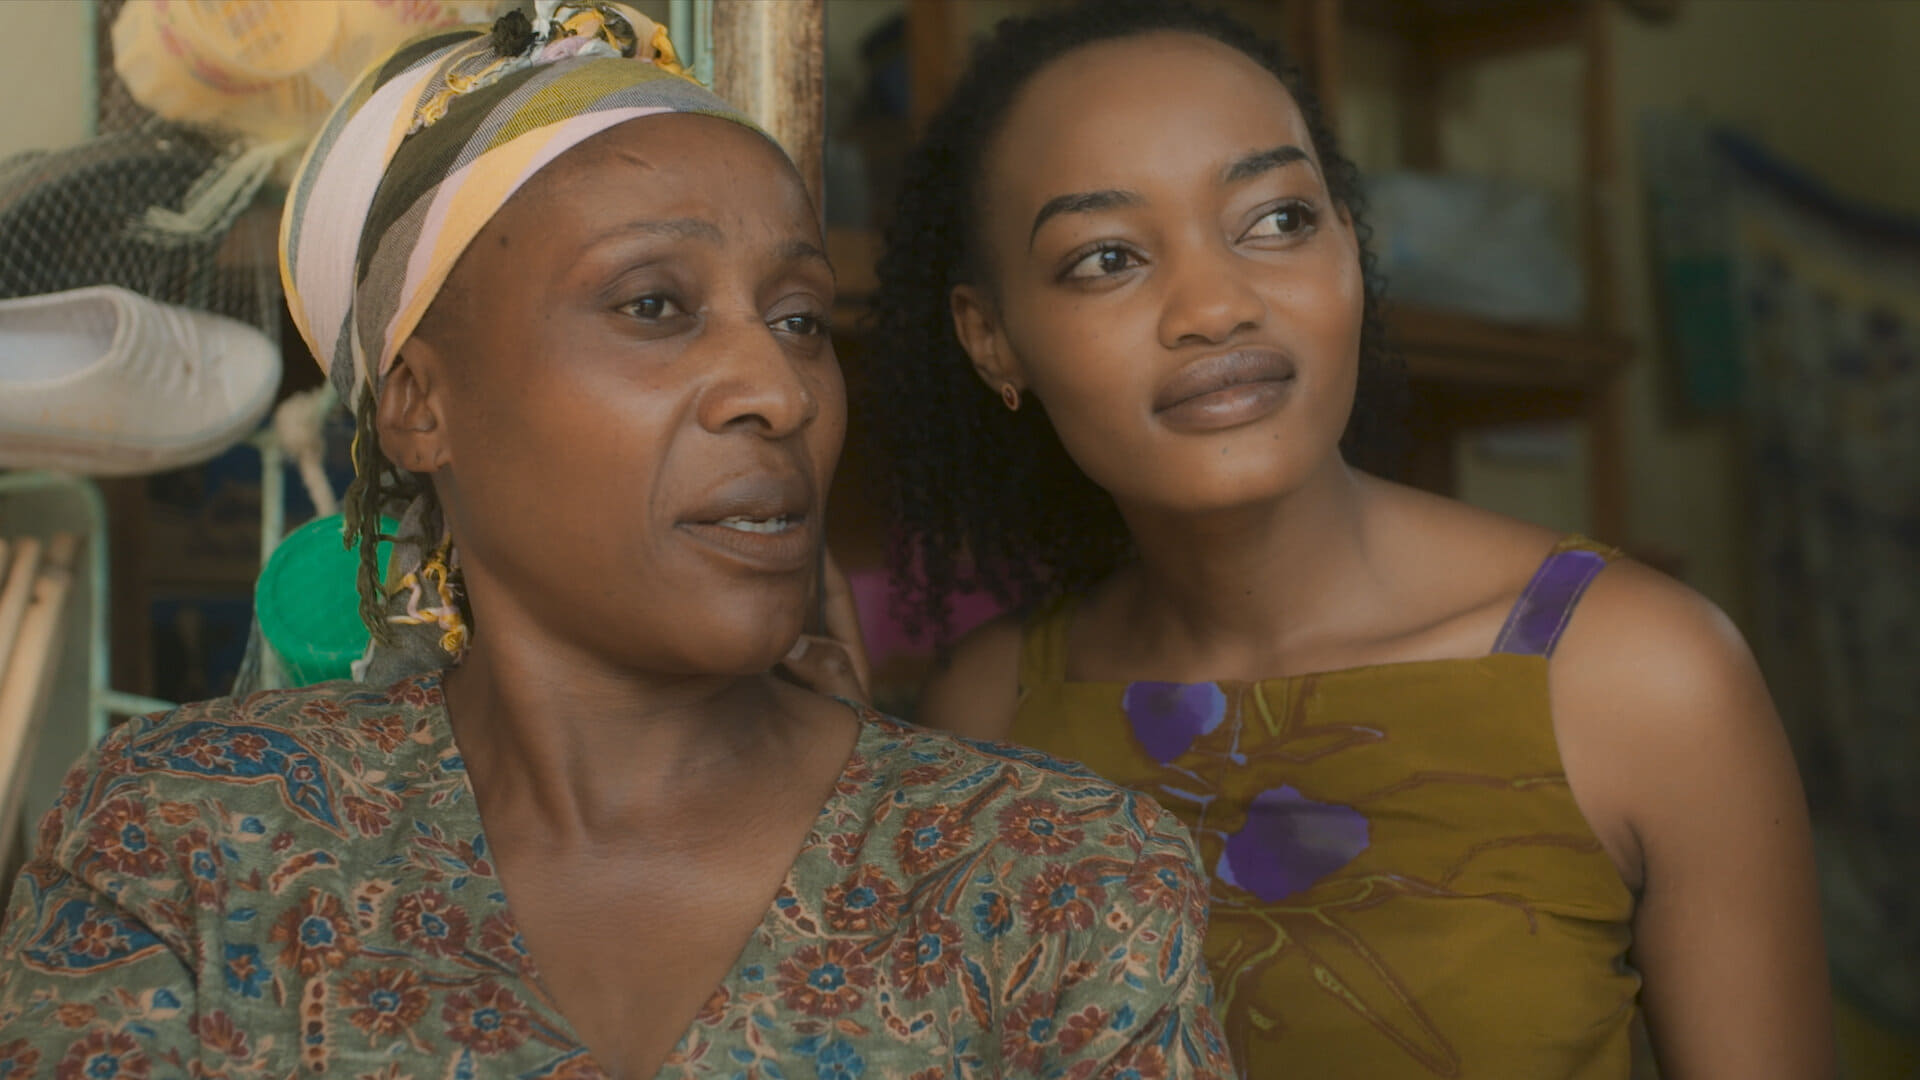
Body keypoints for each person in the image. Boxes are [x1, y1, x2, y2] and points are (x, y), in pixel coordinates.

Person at [0, 6, 1233, 1078]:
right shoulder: (188, 839)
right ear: (422, 403)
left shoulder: (1049, 879)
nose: (780, 392)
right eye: (653, 305)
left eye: (800, 319)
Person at [860, 1, 1833, 1077]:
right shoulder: (989, 717)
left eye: (1278, 219)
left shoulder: (1640, 673)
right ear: (992, 339)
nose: (1216, 307)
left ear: (1350, 246)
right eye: (1106, 258)